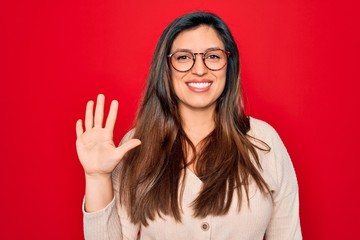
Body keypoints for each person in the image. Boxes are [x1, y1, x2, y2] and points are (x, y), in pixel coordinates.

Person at [76, 11, 302, 240]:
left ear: (228, 64)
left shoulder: (264, 142)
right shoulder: (136, 146)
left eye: (213, 56)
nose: (200, 69)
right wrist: (96, 177)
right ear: (166, 67)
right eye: (184, 57)